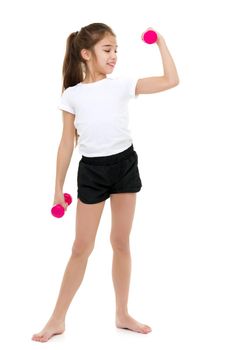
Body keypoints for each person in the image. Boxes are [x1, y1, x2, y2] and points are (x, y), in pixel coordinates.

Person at [32, 22, 179, 343]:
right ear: (86, 54)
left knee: (121, 242)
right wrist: (58, 187)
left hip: (124, 165)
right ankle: (57, 319)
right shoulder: (72, 95)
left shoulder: (122, 84)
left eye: (116, 50)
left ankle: (122, 313)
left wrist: (161, 43)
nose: (114, 56)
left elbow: (171, 80)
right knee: (80, 247)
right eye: (107, 49)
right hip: (93, 172)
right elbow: (66, 143)